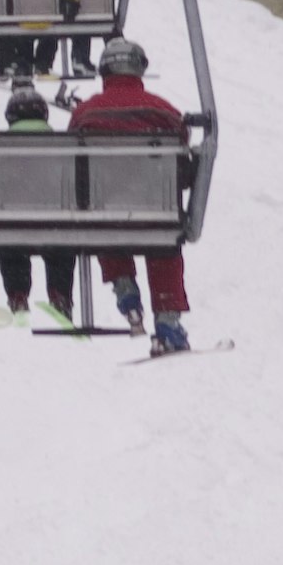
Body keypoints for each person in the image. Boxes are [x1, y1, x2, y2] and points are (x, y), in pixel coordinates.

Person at [71, 36, 195, 353]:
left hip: (106, 208)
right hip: (155, 208)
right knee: (163, 243)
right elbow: (182, 139)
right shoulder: (162, 110)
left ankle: (124, 286)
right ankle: (167, 319)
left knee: (107, 226)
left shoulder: (86, 113)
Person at [0, 81, 82, 320]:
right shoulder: (65, 146)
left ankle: (17, 293)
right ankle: (59, 294)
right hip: (55, 224)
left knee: (10, 244)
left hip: (13, 225)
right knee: (62, 246)